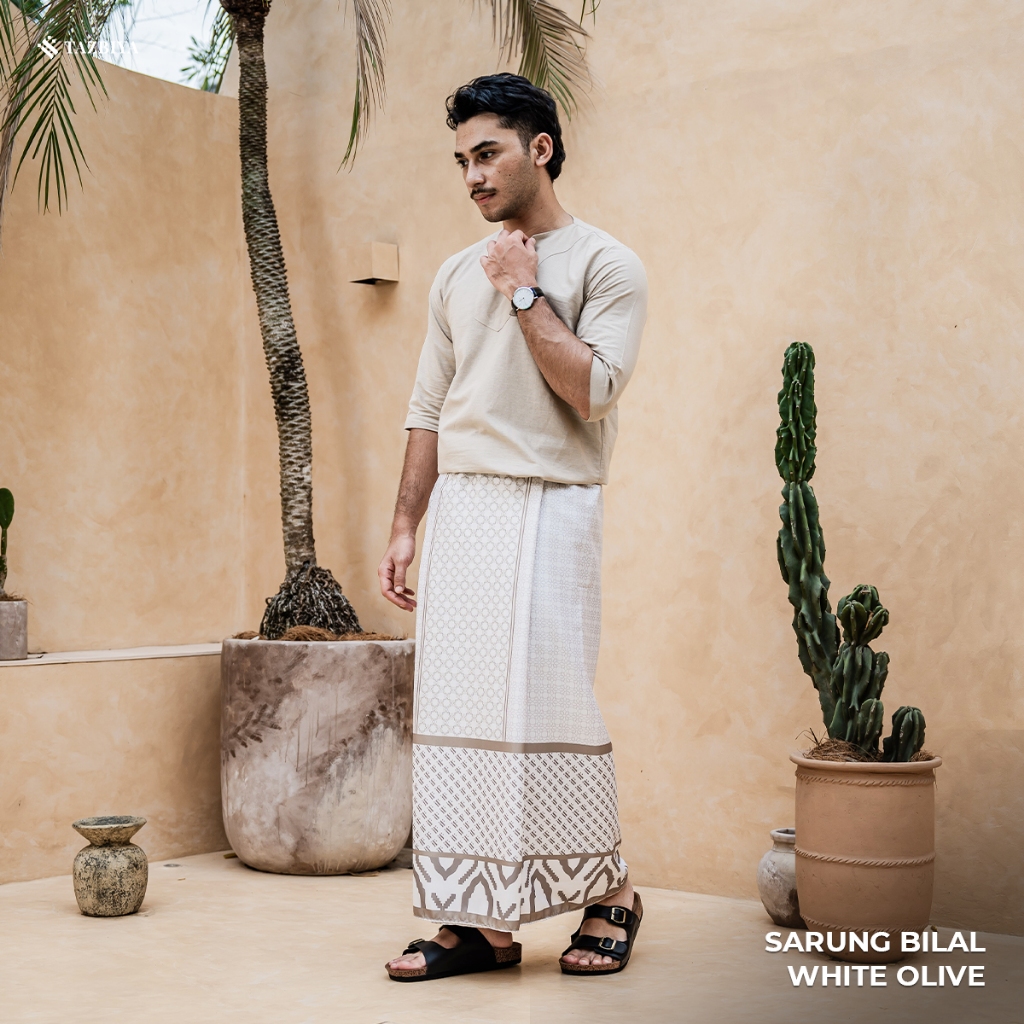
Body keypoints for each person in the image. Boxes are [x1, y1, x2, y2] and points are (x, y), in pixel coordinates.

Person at [378, 73, 648, 981]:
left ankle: (612, 893)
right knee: (457, 716)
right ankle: (478, 924)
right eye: (461, 159)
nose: (472, 175)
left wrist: (527, 293)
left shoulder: (607, 264)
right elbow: (429, 406)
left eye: (487, 153)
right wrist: (406, 524)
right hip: (464, 509)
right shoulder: (455, 273)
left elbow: (592, 391)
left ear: (541, 148)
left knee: (550, 705)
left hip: (552, 502)